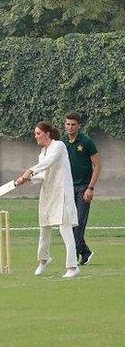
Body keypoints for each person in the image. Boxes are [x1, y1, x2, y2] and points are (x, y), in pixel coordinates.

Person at [15, 121, 80, 278]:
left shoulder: (58, 146)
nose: (35, 136)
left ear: (47, 134)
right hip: (48, 194)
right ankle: (44, 260)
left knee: (65, 229)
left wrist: (30, 170)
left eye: (38, 133)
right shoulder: (42, 153)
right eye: (35, 133)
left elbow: (47, 163)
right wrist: (29, 179)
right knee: (44, 228)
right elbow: (43, 175)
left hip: (62, 193)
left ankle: (73, 267)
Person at [61, 112, 101, 266]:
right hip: (67, 188)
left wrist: (90, 188)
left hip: (83, 187)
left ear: (79, 126)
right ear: (64, 124)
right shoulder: (62, 142)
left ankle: (77, 256)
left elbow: (98, 165)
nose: (70, 127)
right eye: (67, 124)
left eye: (73, 124)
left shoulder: (86, 141)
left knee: (78, 223)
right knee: (69, 224)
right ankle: (85, 252)